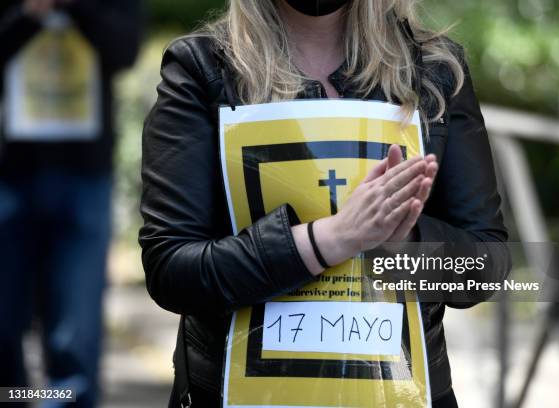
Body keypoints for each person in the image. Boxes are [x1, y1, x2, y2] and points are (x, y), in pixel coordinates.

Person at [140, 0, 510, 407]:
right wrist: (328, 240)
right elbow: (171, 269)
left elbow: (486, 266)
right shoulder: (202, 67)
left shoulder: (435, 71)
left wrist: (404, 241)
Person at [0, 0, 141, 406]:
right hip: (11, 178)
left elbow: (124, 50)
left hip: (85, 177)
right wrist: (29, 16)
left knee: (73, 339)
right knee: (4, 334)